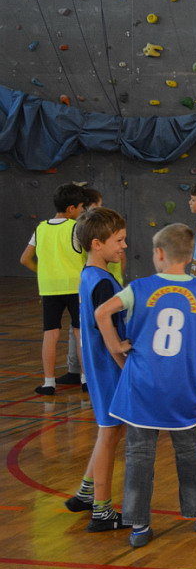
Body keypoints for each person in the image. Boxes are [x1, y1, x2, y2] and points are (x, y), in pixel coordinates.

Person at [94, 223, 196, 548]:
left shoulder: (139, 287)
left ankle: (139, 526)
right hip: (183, 387)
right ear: (190, 257)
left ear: (160, 254)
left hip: (142, 386)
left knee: (139, 453)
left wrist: (115, 346)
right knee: (190, 450)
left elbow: (102, 312)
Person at [65, 206, 129, 532]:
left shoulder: (89, 275)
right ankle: (102, 511)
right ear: (96, 244)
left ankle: (86, 493)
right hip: (109, 369)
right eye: (119, 240)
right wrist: (128, 370)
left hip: (98, 367)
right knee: (109, 434)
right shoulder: (102, 282)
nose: (124, 246)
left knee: (110, 431)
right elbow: (111, 339)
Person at [20, 183, 87, 395]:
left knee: (50, 334)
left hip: (49, 288)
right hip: (75, 286)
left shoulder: (40, 228)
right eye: (81, 207)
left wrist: (43, 272)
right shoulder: (76, 228)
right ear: (71, 208)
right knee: (79, 333)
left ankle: (49, 382)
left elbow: (25, 259)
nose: (83, 211)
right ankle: (85, 379)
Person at [83, 187, 125, 285]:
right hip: (108, 281)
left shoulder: (82, 230)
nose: (124, 245)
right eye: (100, 204)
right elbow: (122, 256)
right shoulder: (105, 227)